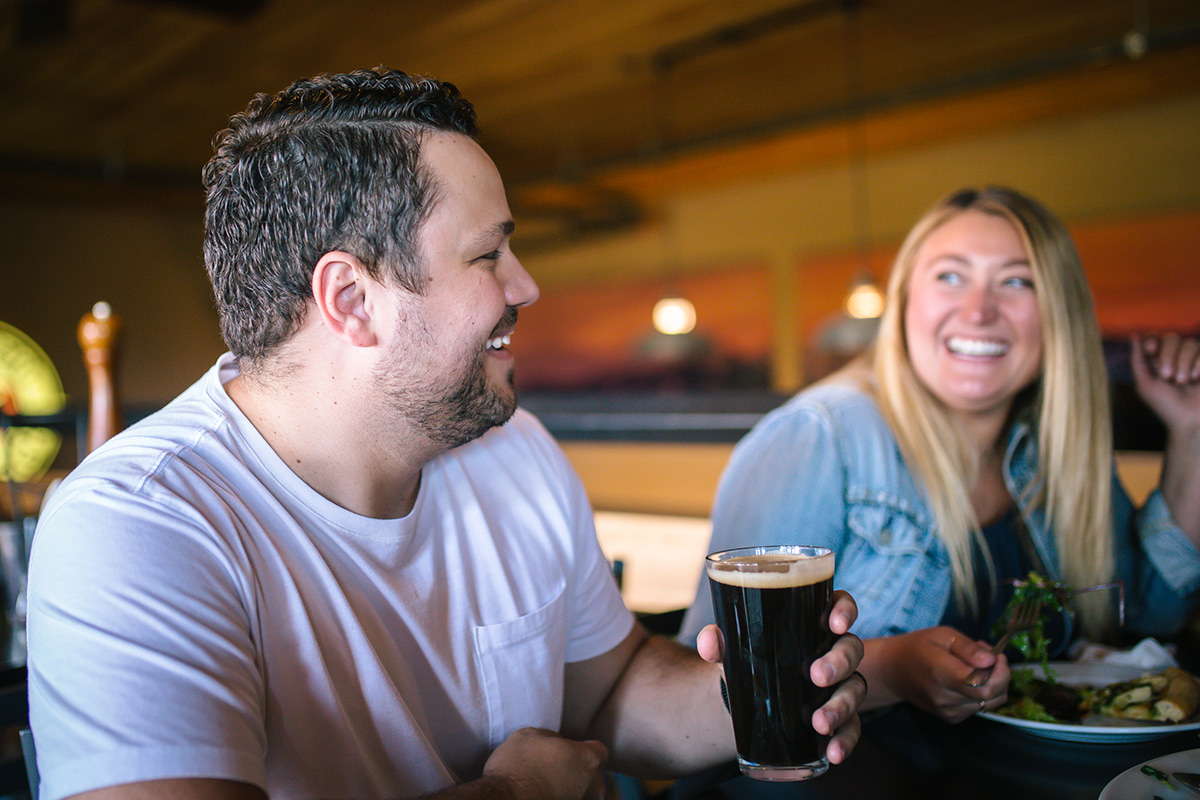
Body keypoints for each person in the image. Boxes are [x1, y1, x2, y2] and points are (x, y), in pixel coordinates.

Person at [26, 69, 866, 800]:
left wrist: (758, 695)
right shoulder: (138, 524)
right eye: (488, 255)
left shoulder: (515, 448)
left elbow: (609, 693)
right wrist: (514, 796)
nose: (525, 285)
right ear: (352, 302)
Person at [679, 186, 1200, 726]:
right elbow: (701, 689)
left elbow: (1150, 616)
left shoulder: (1054, 451)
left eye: (1017, 281)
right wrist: (891, 670)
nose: (978, 311)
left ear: (1057, 316)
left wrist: (1192, 430)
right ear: (906, 301)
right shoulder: (821, 435)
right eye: (950, 276)